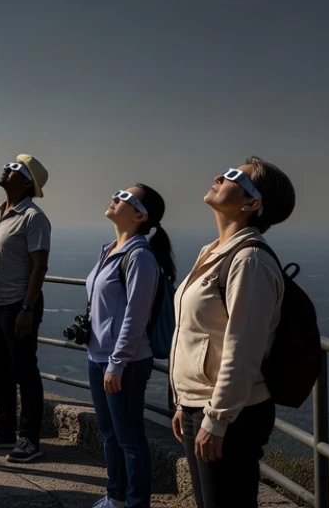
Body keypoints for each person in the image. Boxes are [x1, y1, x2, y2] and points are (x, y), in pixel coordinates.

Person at [170, 158, 295, 508]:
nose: (218, 176)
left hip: (233, 416)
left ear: (252, 203)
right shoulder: (214, 252)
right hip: (203, 405)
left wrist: (217, 420)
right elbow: (202, 336)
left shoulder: (248, 261)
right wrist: (186, 402)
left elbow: (242, 350)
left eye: (233, 176)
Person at [87, 185, 175, 508]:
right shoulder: (110, 249)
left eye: (125, 196)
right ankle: (116, 497)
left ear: (140, 215)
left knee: (130, 439)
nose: (116, 196)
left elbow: (135, 318)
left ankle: (136, 503)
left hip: (125, 362)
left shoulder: (140, 257)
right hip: (99, 358)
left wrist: (118, 362)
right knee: (110, 434)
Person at [0, 154, 51, 463]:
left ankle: (29, 439)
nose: (6, 168)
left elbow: (40, 267)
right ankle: (4, 430)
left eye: (15, 168)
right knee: (0, 372)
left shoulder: (33, 218)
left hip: (17, 306)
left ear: (27, 182)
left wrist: (27, 308)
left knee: (25, 372)